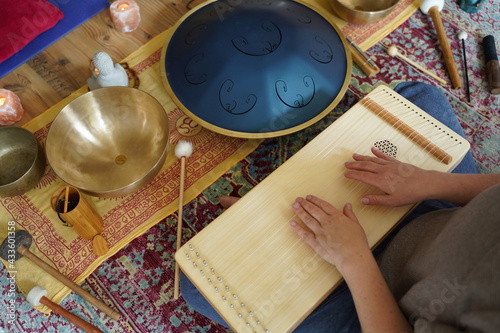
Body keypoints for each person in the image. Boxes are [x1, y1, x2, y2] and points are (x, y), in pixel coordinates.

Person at [180, 82, 500, 332]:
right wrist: (428, 182)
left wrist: (354, 259)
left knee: (196, 287)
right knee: (419, 97)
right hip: (442, 217)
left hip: (386, 308)